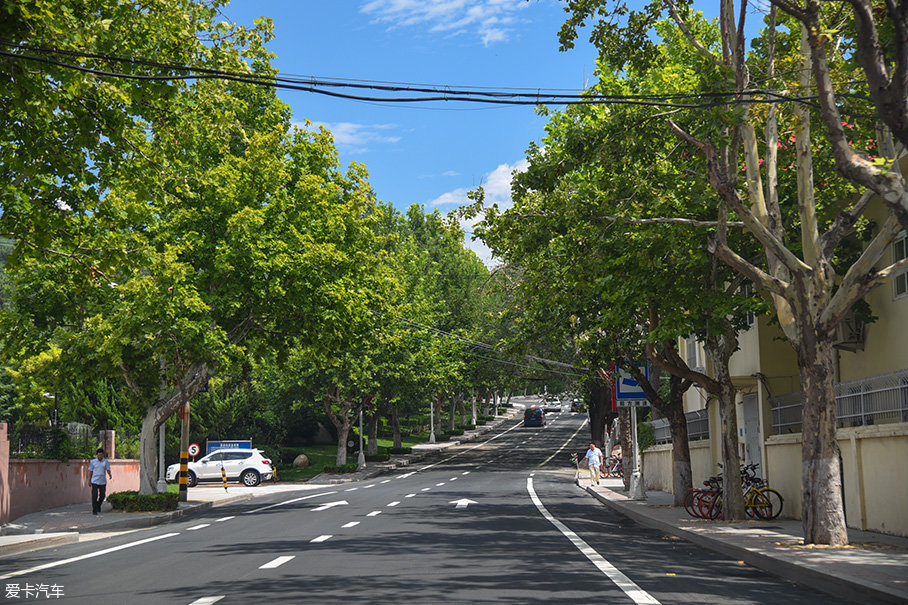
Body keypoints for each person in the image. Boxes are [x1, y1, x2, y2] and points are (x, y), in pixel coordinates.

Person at [88, 448, 112, 515]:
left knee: (102, 495)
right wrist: (89, 480)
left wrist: (110, 474)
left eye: (101, 455)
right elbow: (90, 471)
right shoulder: (93, 462)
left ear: (103, 455)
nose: (100, 457)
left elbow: (108, 469)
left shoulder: (105, 462)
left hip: (102, 481)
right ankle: (94, 510)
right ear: (97, 455)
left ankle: (98, 505)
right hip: (94, 481)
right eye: (98, 455)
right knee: (94, 496)